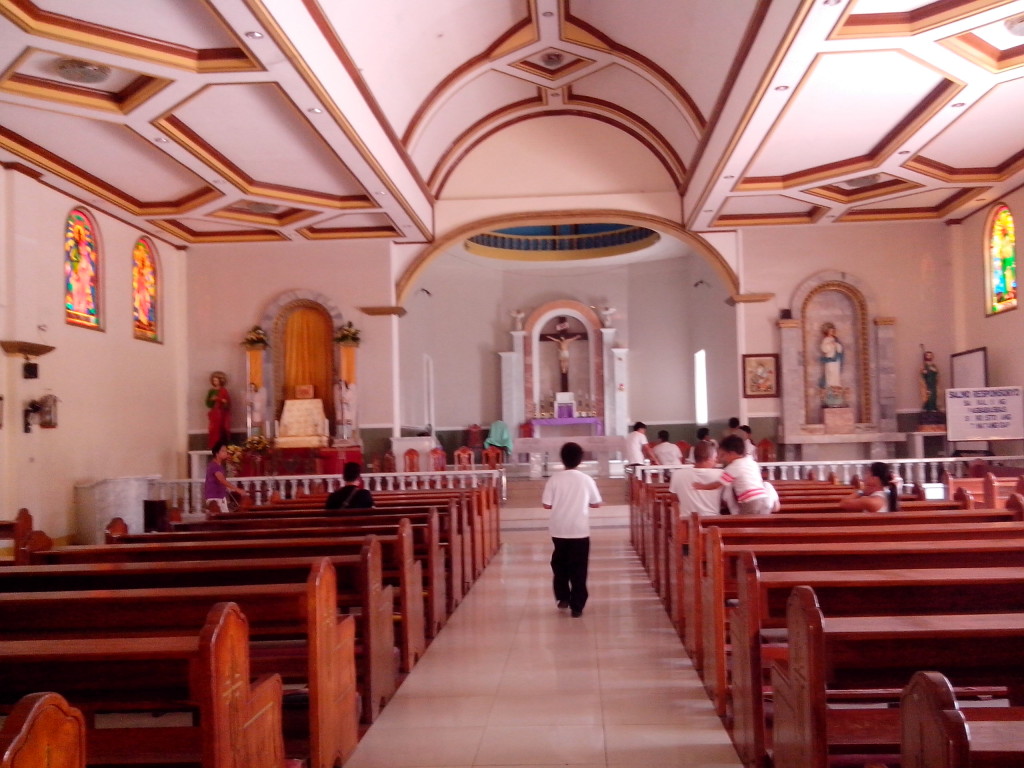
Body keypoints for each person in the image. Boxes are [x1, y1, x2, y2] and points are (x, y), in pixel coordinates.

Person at [543, 441, 602, 618]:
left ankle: (562, 597)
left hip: (559, 528)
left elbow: (547, 505)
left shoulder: (554, 479)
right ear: (580, 459)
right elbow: (596, 503)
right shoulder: (586, 479)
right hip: (580, 530)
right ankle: (577, 606)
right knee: (579, 568)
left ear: (562, 459)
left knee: (559, 565)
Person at [693, 434, 773, 515]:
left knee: (746, 525)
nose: (721, 459)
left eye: (723, 455)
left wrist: (703, 486)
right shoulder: (751, 461)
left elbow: (717, 484)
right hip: (764, 499)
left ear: (732, 453)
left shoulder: (733, 467)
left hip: (751, 502)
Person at [670, 440, 724, 516]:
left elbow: (674, 500)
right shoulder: (721, 474)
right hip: (711, 521)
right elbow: (726, 500)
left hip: (686, 522)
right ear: (709, 458)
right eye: (715, 457)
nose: (716, 460)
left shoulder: (677, 474)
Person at [204, 440, 248, 513]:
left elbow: (220, 482)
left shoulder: (219, 466)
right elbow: (222, 480)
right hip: (214, 499)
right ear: (217, 453)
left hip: (220, 497)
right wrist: (238, 490)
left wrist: (231, 489)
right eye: (223, 451)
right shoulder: (214, 466)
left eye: (226, 451)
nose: (226, 453)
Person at [206, 371, 231, 449]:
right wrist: (211, 400)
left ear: (220, 381)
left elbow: (227, 402)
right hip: (214, 413)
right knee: (213, 429)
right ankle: (213, 444)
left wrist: (218, 399)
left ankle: (222, 445)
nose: (215, 382)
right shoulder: (211, 391)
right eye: (214, 380)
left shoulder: (224, 391)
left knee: (221, 429)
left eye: (216, 380)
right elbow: (208, 403)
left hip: (222, 413)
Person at [819, 322, 844, 391]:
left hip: (836, 360)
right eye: (830, 331)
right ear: (827, 331)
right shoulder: (826, 339)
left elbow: (840, 348)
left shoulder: (836, 339)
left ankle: (836, 385)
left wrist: (837, 345)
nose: (832, 332)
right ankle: (830, 386)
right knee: (830, 371)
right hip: (830, 359)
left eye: (832, 331)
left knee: (836, 372)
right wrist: (831, 345)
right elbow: (824, 348)